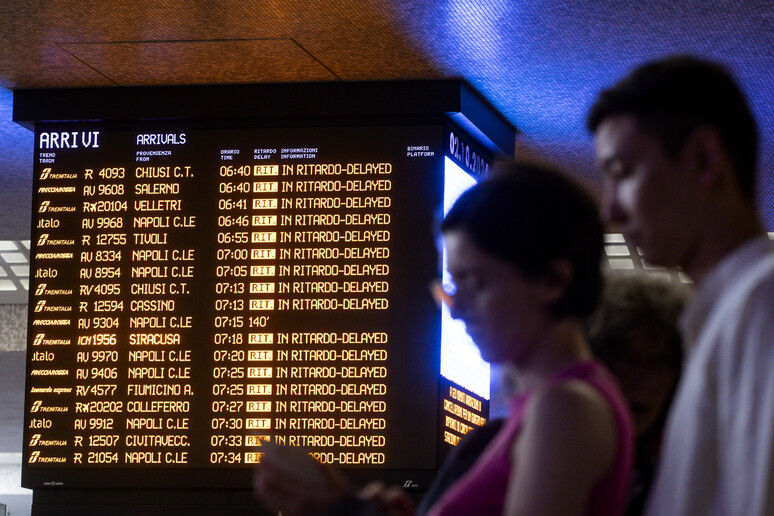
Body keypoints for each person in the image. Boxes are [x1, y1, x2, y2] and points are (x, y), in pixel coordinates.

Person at [254, 163, 635, 516]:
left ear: (553, 280)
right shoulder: (547, 404)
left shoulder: (565, 407)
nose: (456, 309)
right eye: (451, 286)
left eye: (474, 283)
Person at [588, 55, 774, 516]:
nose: (609, 210)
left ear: (704, 159)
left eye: (622, 172)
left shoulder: (761, 302)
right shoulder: (723, 315)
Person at [587, 273, 687, 516]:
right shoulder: (541, 451)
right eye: (628, 360)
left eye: (660, 362)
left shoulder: (680, 475)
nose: (647, 381)